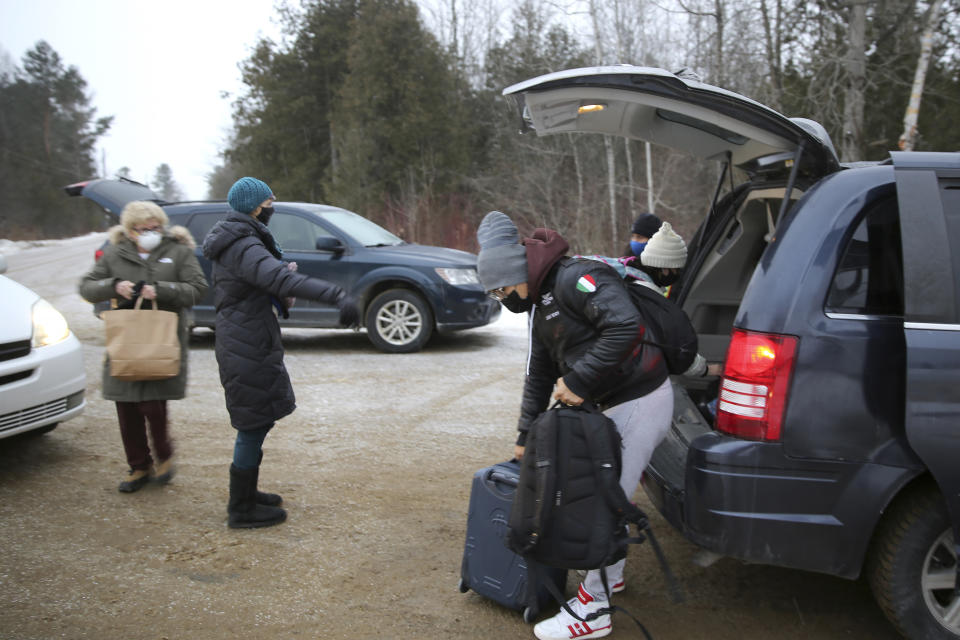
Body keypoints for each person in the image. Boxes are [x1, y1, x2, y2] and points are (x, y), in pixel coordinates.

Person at [476, 210, 673, 640]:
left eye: (502, 288)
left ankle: (593, 610)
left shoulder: (576, 278)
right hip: (614, 401)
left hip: (642, 398)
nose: (503, 299)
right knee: (609, 492)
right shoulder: (540, 306)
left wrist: (580, 379)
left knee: (605, 502)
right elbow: (539, 375)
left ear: (516, 271)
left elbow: (626, 326)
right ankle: (612, 575)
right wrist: (525, 438)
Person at [201, 176, 359, 529]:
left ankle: (247, 494)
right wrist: (336, 296)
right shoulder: (244, 244)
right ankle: (240, 509)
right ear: (258, 206)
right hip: (244, 344)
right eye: (270, 199)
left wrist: (276, 281)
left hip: (249, 338)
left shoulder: (243, 240)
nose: (274, 204)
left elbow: (263, 282)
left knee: (259, 420)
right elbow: (280, 280)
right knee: (252, 425)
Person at [80, 201, 208, 493]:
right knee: (126, 407)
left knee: (153, 404)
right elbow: (87, 287)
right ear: (130, 231)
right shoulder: (115, 253)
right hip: (125, 339)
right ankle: (138, 466)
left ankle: (164, 457)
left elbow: (198, 289)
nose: (151, 233)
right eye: (144, 229)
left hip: (160, 338)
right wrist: (114, 285)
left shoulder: (177, 251)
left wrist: (161, 290)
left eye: (156, 227)